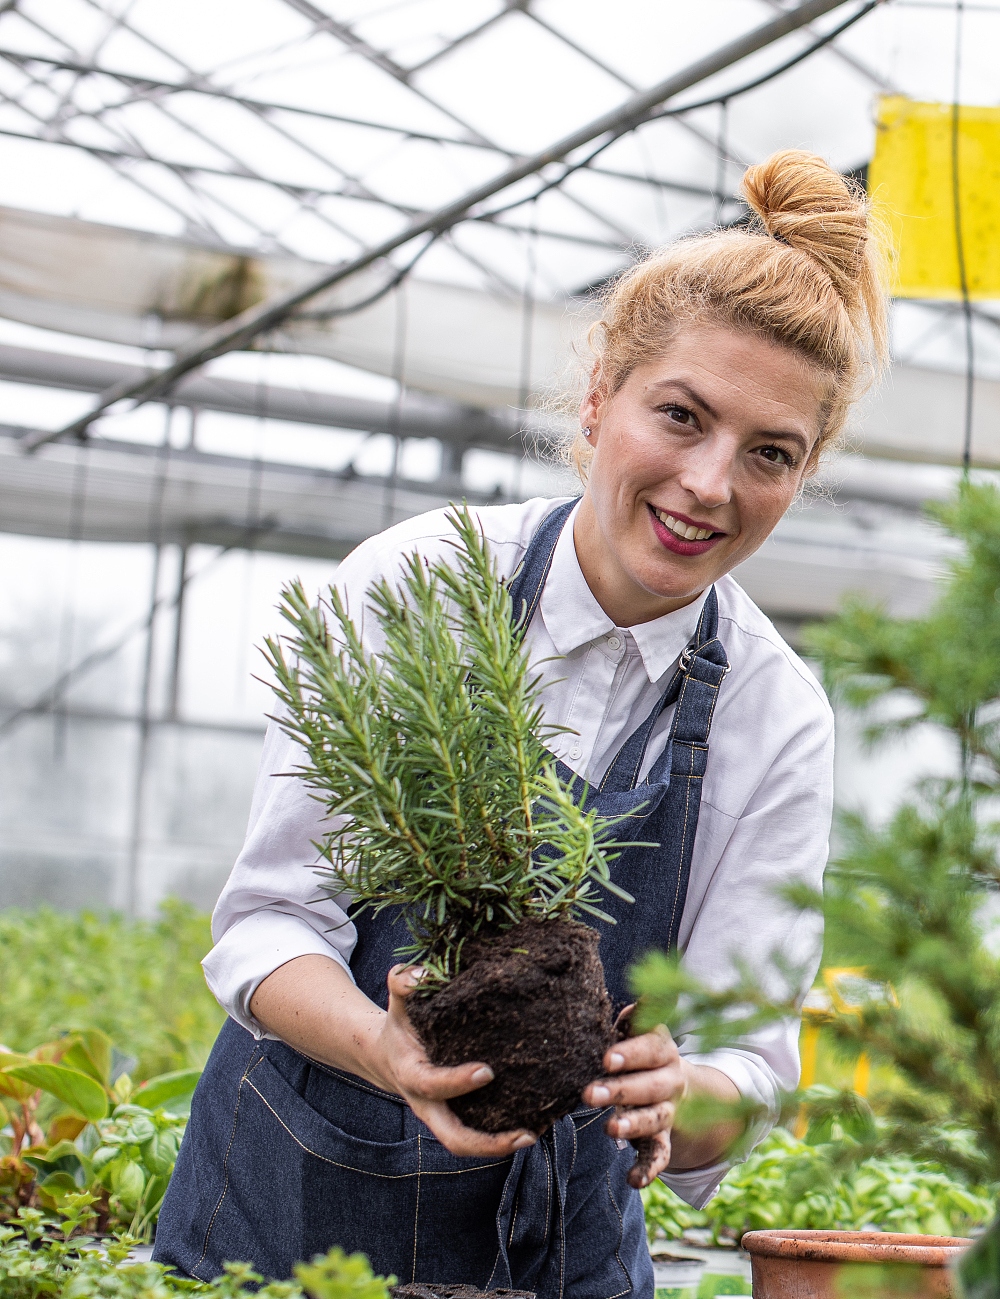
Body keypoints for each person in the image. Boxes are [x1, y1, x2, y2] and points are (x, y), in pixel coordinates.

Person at [154, 150, 889, 1299]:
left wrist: (680, 1099)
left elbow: (749, 1056)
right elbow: (265, 922)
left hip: (567, 1249)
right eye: (680, 416)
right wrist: (384, 1051)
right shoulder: (421, 588)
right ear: (600, 398)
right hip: (298, 1204)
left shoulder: (771, 709)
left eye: (769, 453)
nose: (708, 483)